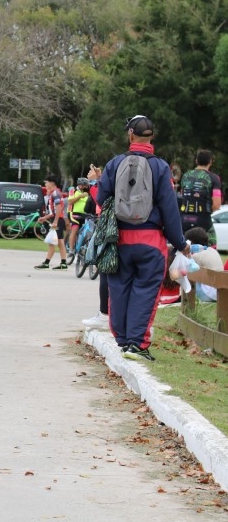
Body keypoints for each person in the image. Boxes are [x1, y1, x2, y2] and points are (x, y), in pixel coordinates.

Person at [97, 115, 189, 362]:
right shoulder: (160, 167)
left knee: (119, 288)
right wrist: (180, 243)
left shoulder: (114, 164)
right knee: (146, 290)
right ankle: (137, 344)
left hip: (119, 241)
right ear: (152, 137)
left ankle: (124, 340)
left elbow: (100, 198)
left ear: (130, 135)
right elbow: (170, 211)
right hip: (151, 241)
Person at [82, 164, 111, 330]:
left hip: (110, 230)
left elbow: (102, 200)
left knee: (106, 272)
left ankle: (105, 315)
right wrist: (100, 179)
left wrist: (94, 182)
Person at [179, 149, 222, 241]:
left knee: (184, 248)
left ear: (196, 161)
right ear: (210, 162)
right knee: (210, 245)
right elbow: (217, 204)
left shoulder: (185, 176)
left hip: (184, 219)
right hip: (203, 219)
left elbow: (184, 195)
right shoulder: (214, 178)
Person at [34, 174, 68, 270]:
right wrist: (44, 218)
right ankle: (63, 263)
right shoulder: (55, 193)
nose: (46, 184)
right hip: (57, 219)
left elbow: (58, 208)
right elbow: (53, 212)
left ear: (52, 183)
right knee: (60, 242)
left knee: (52, 242)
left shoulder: (55, 194)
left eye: (47, 182)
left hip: (58, 220)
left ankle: (46, 263)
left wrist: (55, 222)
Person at [186, 226, 223, 301]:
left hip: (208, 295)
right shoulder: (213, 251)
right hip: (219, 293)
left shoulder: (197, 255)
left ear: (192, 243)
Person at [66, 178, 91, 263]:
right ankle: (71, 250)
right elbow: (70, 202)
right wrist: (80, 196)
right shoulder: (73, 190)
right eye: (85, 185)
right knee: (75, 229)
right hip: (73, 213)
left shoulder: (87, 192)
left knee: (86, 231)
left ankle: (83, 250)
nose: (86, 187)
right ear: (80, 185)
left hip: (84, 215)